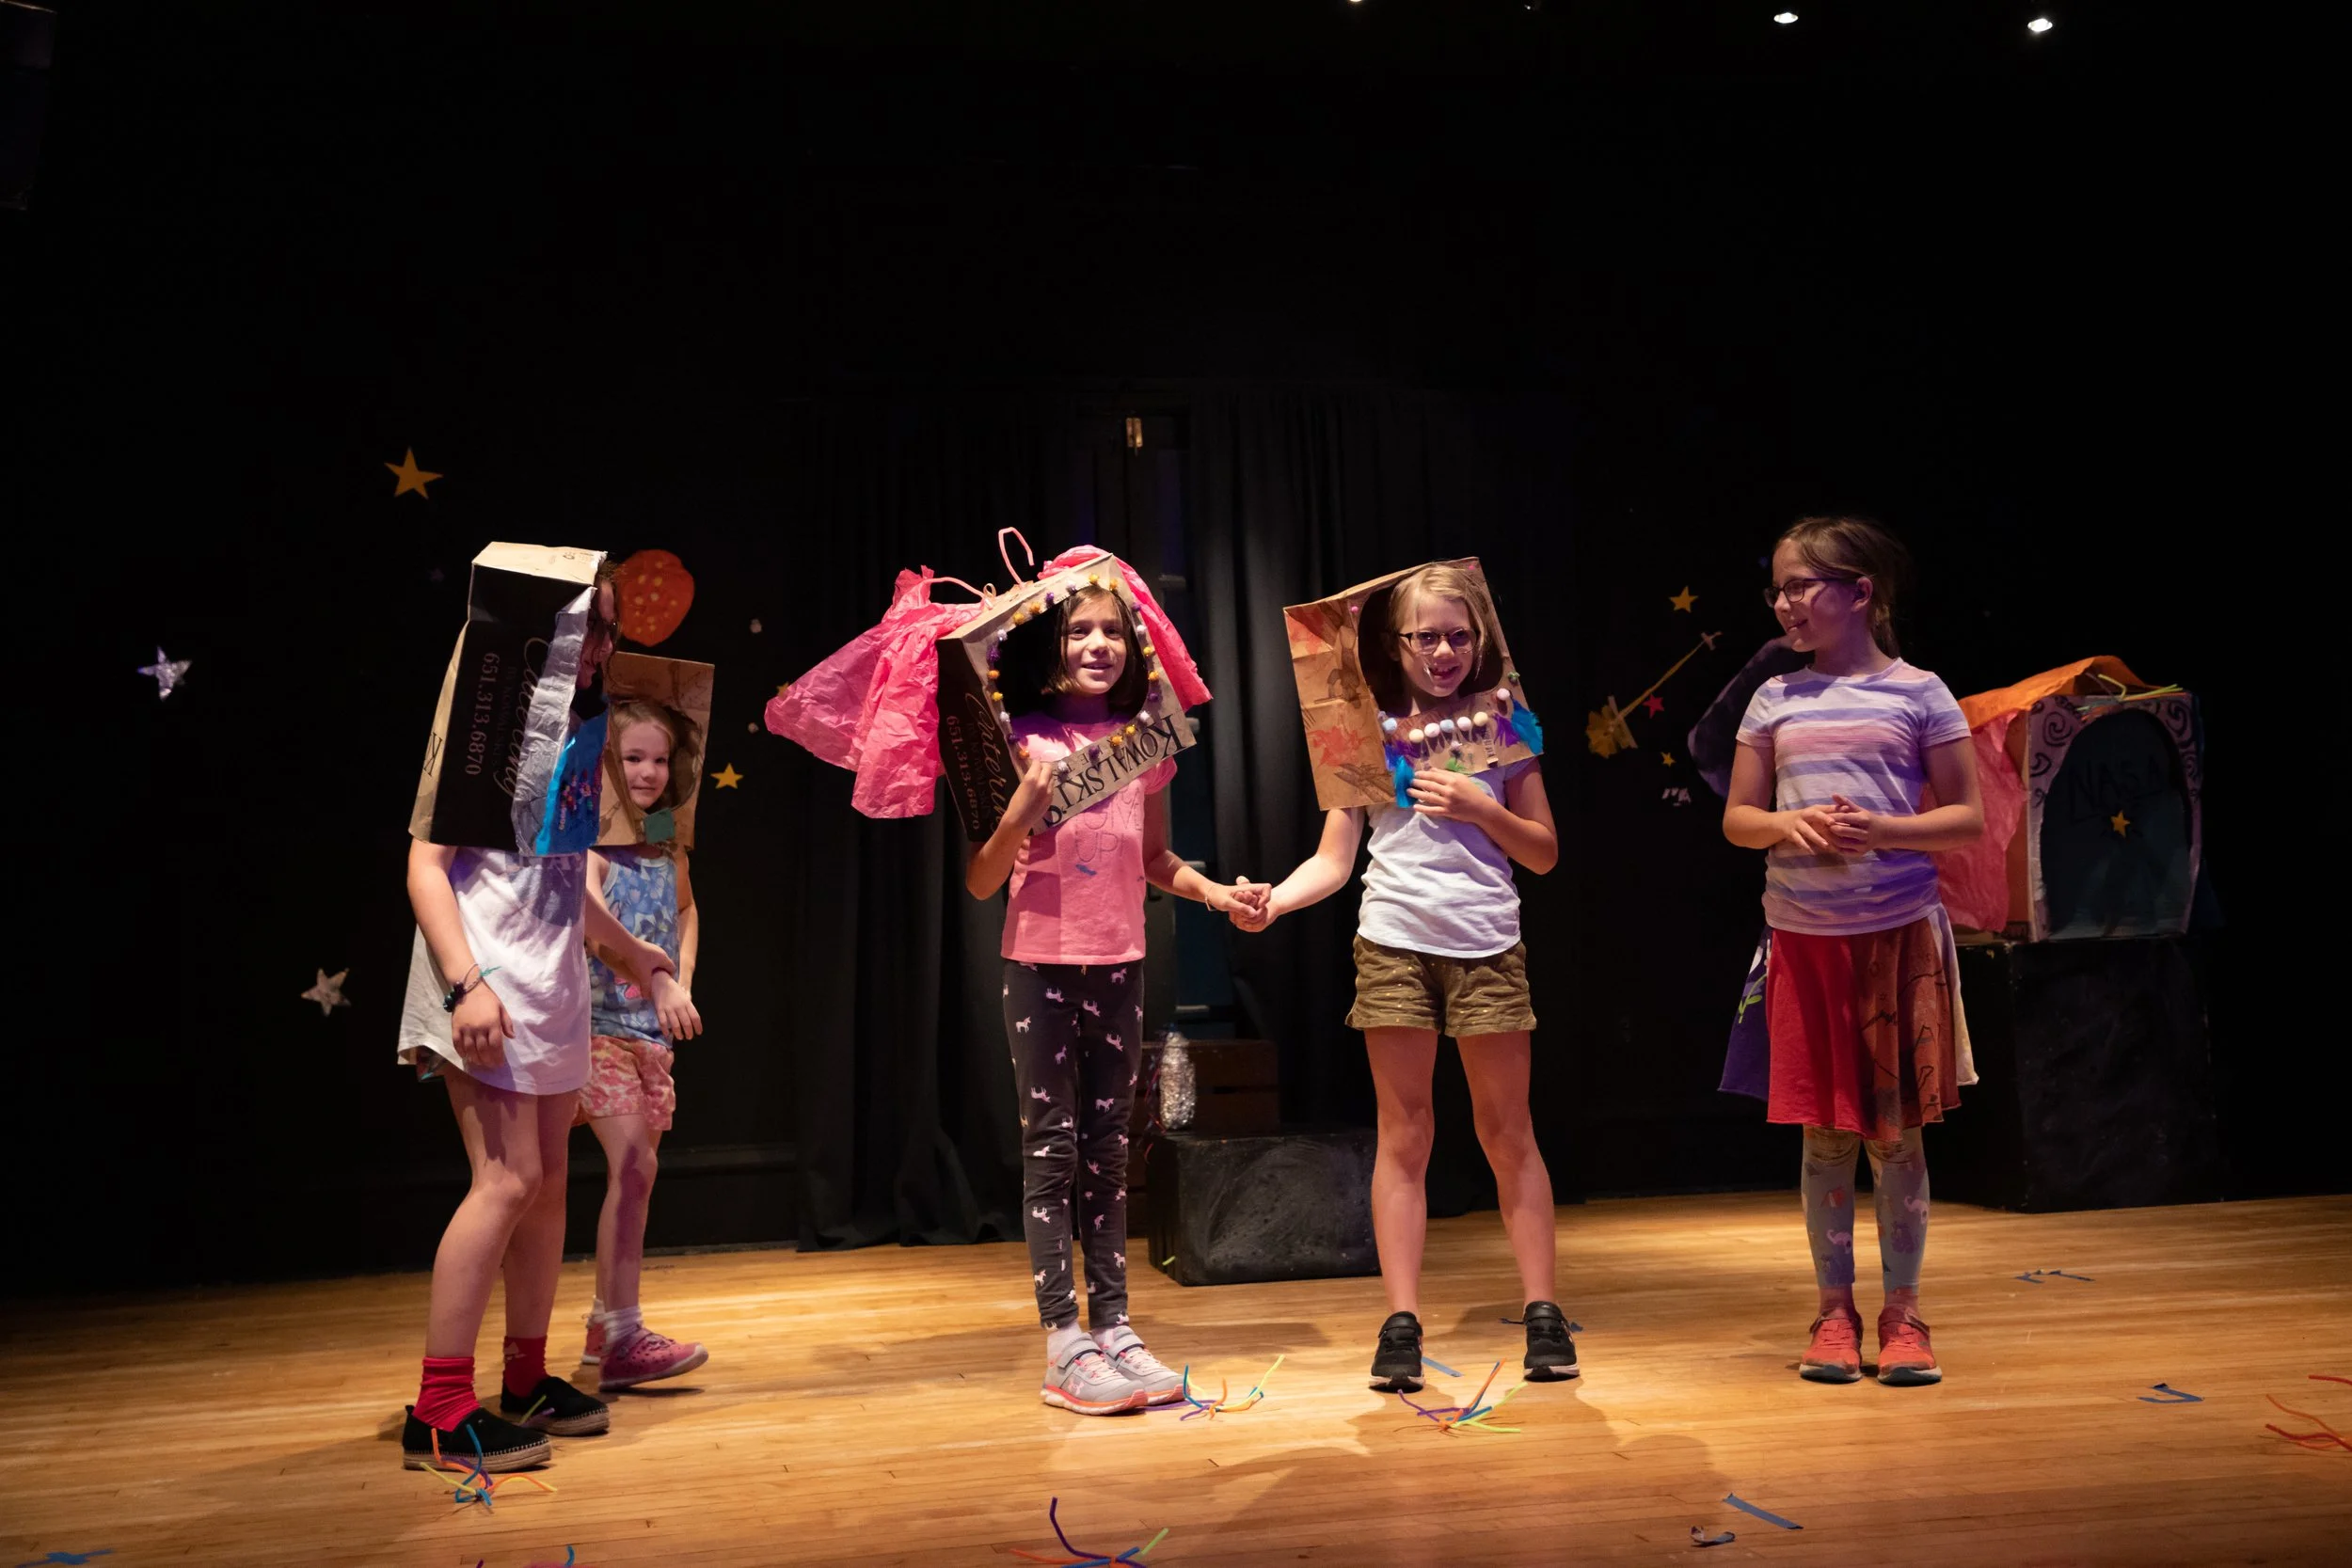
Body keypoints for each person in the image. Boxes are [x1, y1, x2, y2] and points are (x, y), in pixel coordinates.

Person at [1232, 563, 1572, 1391]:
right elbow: (1334, 859)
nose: (1445, 651)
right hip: (1393, 943)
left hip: (1487, 940)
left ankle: (1543, 1311)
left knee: (1507, 1133)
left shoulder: (1505, 724)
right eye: (1426, 637)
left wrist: (1484, 809)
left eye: (1459, 635)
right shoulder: (1365, 734)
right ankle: (1401, 1321)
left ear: (1480, 638)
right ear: (1396, 644)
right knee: (1405, 1134)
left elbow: (1544, 851)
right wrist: (1273, 901)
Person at [397, 565, 698, 1471]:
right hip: (485, 975)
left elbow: (562, 883)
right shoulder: (481, 732)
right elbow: (423, 868)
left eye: (607, 631)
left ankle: (523, 1379)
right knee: (505, 1180)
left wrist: (633, 952)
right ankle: (440, 1408)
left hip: (552, 977)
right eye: (588, 627)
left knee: (549, 1187)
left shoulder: (581, 732)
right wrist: (465, 984)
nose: (602, 647)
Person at [966, 579, 1258, 1416]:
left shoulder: (1145, 744)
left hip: (1121, 961)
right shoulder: (1019, 738)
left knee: (1108, 1150)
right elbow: (985, 878)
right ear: (1050, 647)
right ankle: (1064, 1341)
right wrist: (1022, 808)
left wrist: (1216, 894)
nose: (1098, 644)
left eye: (1114, 631)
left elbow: (1157, 860)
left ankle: (1116, 1326)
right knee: (1052, 1148)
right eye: (1080, 630)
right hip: (1040, 963)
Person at [1721, 515, 1983, 1386]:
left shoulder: (1922, 693)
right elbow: (1739, 819)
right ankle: (1834, 1312)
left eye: (1802, 585)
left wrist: (1883, 829)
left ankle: (1904, 1315)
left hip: (1896, 943)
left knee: (1896, 1137)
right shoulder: (1773, 698)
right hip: (1806, 941)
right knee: (1826, 1138)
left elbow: (1966, 818)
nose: (1786, 602)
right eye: (1780, 589)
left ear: (1860, 592)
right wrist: (1790, 826)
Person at [576, 696, 710, 1391]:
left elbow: (685, 906)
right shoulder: (592, 839)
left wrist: (678, 979)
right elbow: (588, 918)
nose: (651, 771)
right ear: (607, 763)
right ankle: (622, 1330)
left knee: (639, 1174)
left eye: (661, 758)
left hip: (649, 1031)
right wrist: (652, 975)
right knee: (631, 1164)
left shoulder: (662, 832)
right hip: (596, 1028)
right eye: (634, 758)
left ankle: (607, 1324)